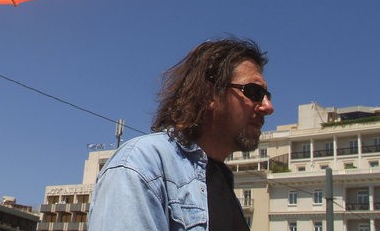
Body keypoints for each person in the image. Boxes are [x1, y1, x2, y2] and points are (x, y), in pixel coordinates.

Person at [89, 37, 274, 231]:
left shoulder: (222, 180)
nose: (268, 107)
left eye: (267, 96)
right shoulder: (142, 163)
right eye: (253, 92)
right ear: (210, 94)